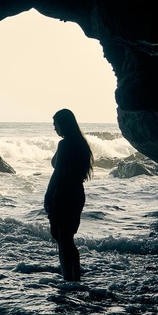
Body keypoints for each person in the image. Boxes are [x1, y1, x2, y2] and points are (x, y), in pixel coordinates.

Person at [44, 108, 93, 281]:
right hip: (77, 192)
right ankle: (74, 278)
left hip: (64, 193)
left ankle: (68, 279)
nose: (54, 128)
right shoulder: (80, 143)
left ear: (64, 124)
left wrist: (47, 195)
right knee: (67, 239)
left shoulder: (65, 145)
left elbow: (58, 172)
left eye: (56, 124)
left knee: (63, 240)